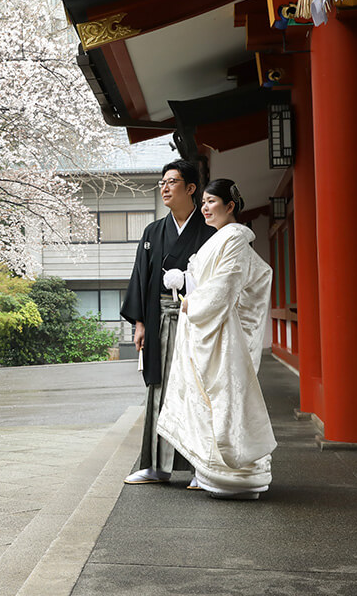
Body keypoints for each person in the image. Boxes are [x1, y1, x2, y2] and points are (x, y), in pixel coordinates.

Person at [157, 178, 275, 499]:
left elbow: (224, 286)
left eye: (212, 202)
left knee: (223, 399)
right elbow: (207, 279)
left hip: (221, 332)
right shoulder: (220, 239)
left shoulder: (235, 238)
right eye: (205, 202)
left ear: (230, 206)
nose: (206, 208)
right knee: (209, 400)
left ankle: (235, 477)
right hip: (209, 329)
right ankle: (212, 474)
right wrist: (185, 279)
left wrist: (189, 300)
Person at [119, 159, 215, 485]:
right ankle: (156, 466)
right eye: (162, 182)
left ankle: (199, 467)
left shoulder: (208, 233)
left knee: (195, 390)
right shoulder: (152, 232)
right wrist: (140, 325)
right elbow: (141, 279)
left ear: (191, 188)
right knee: (158, 389)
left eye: (172, 182)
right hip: (159, 319)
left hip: (195, 321)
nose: (164, 187)